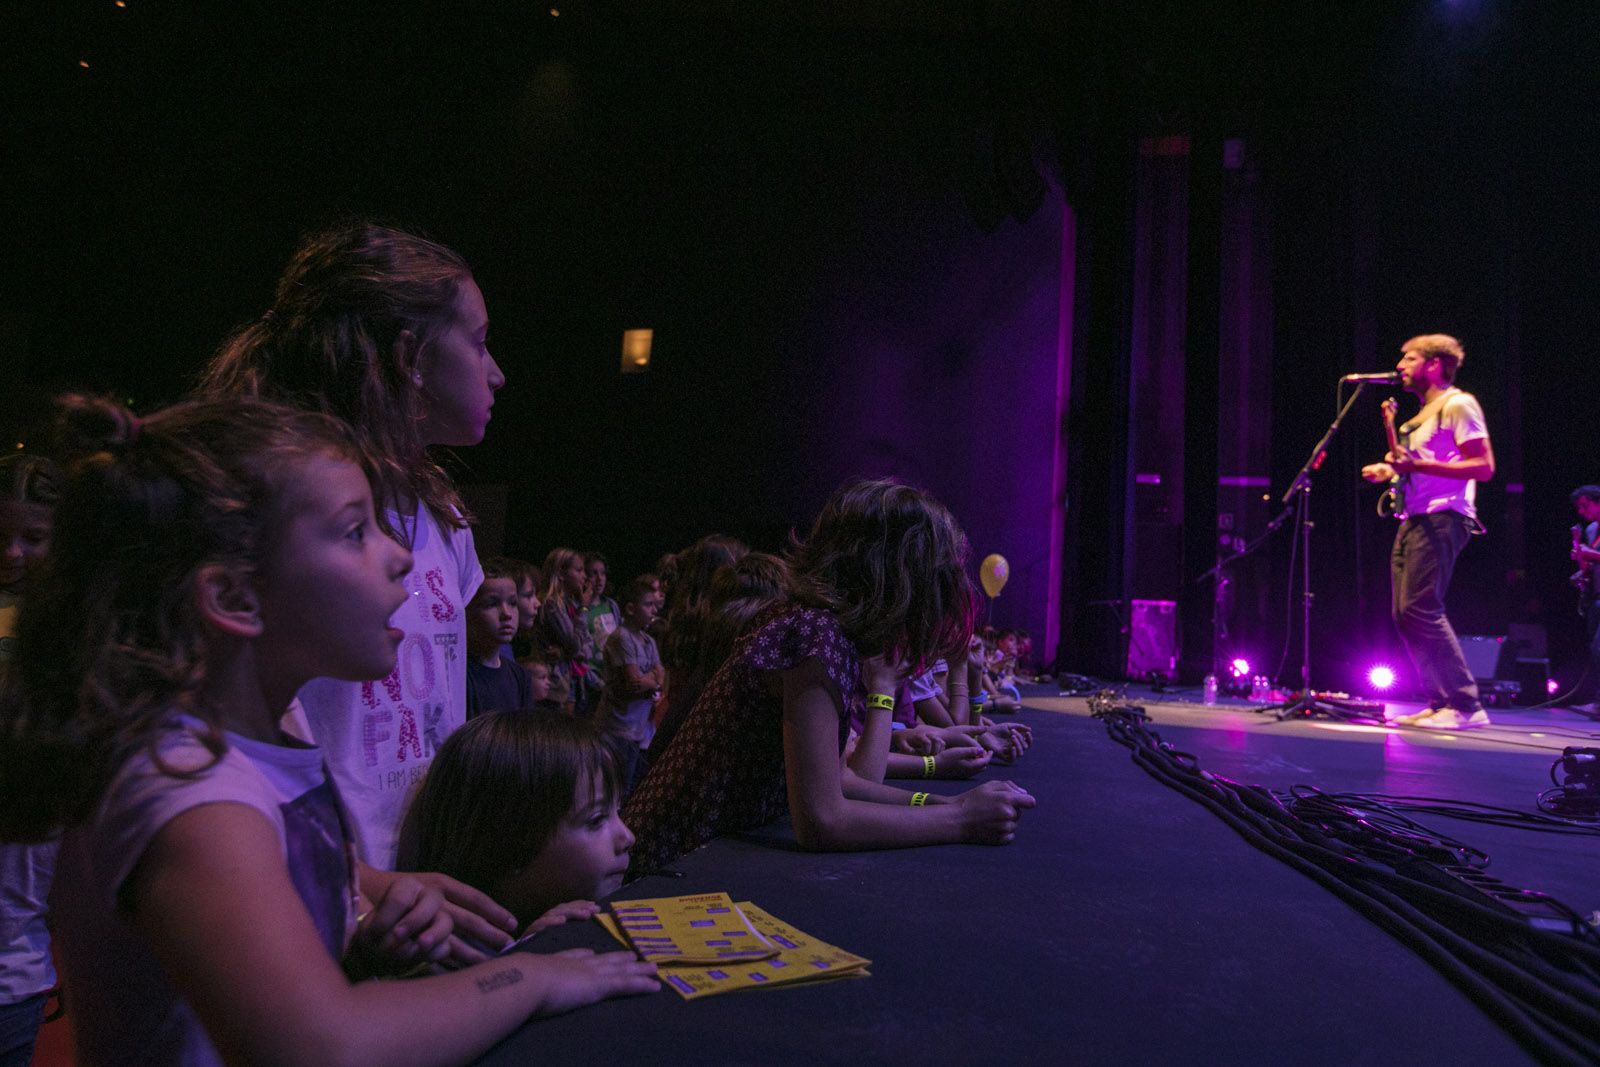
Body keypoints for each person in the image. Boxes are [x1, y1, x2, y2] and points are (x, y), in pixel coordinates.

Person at [0, 395, 656, 1067]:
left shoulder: (272, 734)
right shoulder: (189, 791)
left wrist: (367, 937)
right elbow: (322, 1045)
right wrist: (532, 977)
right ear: (233, 597)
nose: (400, 556)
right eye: (354, 531)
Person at [200, 221, 501, 867]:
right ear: (409, 358)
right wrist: (359, 881)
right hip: (311, 872)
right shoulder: (284, 509)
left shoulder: (445, 513)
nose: (496, 372)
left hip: (424, 871)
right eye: (478, 343)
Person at [623, 479, 1036, 874]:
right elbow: (822, 820)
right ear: (896, 575)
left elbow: (842, 780)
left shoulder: (815, 628)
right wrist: (961, 820)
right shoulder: (814, 636)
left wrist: (949, 803)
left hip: (698, 854)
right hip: (666, 861)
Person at [1360, 334, 1495, 729]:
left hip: (1444, 517)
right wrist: (1389, 471)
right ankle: (1441, 702)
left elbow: (1483, 466)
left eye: (1409, 358)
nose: (1400, 365)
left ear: (1434, 365)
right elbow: (1417, 465)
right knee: (1405, 613)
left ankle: (1466, 705)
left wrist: (1415, 468)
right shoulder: (1419, 417)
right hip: (1415, 517)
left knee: (1421, 608)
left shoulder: (1458, 404)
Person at [400, 712, 636, 932]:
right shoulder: (446, 959)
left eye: (618, 810)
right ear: (508, 844)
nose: (628, 837)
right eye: (596, 820)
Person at [0, 451, 62, 1067]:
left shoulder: (79, 628)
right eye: (1, 538)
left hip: (20, 954)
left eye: (33, 538)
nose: (13, 554)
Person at [593, 576, 665, 791]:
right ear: (631, 609)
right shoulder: (622, 638)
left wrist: (652, 680)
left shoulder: (648, 640)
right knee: (613, 789)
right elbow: (634, 682)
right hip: (616, 728)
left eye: (655, 605)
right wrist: (653, 680)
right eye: (648, 605)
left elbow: (661, 673)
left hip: (636, 730)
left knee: (627, 788)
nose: (654, 610)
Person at [466, 560, 534, 717]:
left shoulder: (520, 677)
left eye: (512, 603)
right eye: (491, 604)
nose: (507, 613)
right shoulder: (462, 676)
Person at [538, 548, 598, 716]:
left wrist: (566, 653)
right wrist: (583, 609)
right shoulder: (551, 605)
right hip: (553, 682)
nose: (584, 577)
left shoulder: (569, 604)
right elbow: (574, 644)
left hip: (568, 677)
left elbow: (587, 646)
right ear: (561, 573)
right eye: (578, 570)